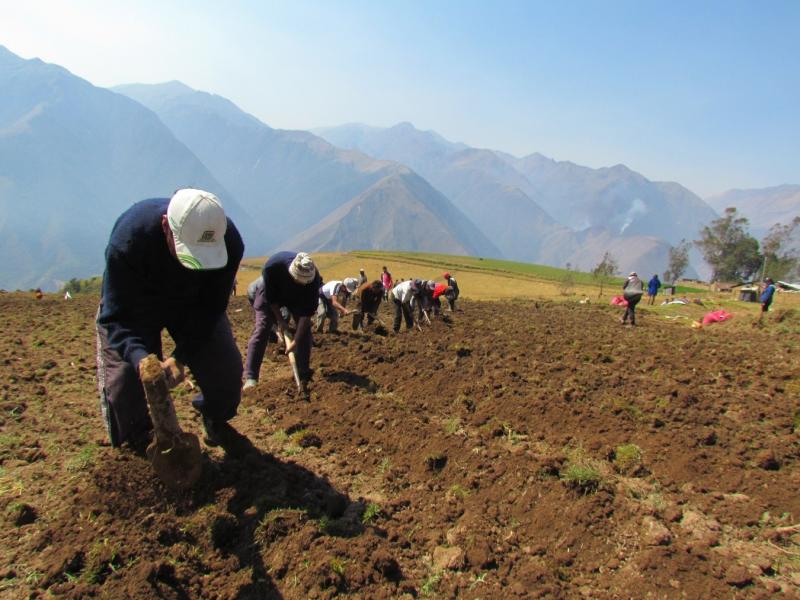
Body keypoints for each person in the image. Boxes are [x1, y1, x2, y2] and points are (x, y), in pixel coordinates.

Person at [95, 188, 244, 448]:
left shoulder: (230, 242)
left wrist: (180, 356)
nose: (196, 266)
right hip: (137, 306)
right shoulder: (129, 241)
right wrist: (142, 360)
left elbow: (211, 309)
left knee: (226, 375)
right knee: (124, 389)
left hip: (191, 307)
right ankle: (140, 447)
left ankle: (213, 418)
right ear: (166, 227)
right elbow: (115, 318)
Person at [243, 251, 320, 390]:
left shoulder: (313, 281)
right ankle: (251, 377)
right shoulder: (273, 266)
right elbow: (271, 300)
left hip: (297, 300)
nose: (300, 283)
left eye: (303, 282)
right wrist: (281, 321)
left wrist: (296, 340)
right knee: (262, 328)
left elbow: (306, 315)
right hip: (270, 294)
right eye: (297, 279)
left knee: (304, 334)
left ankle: (303, 373)